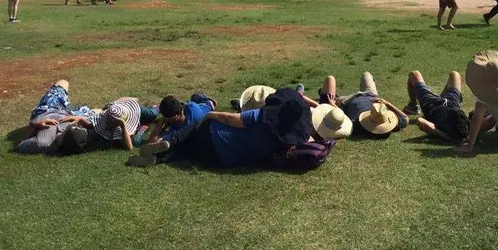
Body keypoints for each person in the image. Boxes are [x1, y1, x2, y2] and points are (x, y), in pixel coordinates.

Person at [134, 88, 312, 168]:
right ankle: (159, 158)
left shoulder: (259, 117)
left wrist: (211, 115)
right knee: (190, 150)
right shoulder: (285, 141)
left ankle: (168, 143)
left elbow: (230, 119)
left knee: (194, 131)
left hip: (215, 137)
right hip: (222, 161)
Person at [127, 93, 217, 167]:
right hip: (191, 108)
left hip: (206, 106)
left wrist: (163, 122)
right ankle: (155, 158)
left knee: (198, 98)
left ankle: (206, 99)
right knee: (193, 98)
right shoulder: (185, 111)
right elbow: (152, 143)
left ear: (175, 116)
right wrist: (163, 120)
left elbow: (152, 141)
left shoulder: (187, 122)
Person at [317, 72, 408, 139]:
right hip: (371, 94)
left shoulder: (357, 124)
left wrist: (333, 105)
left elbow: (342, 118)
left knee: (330, 79)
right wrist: (387, 103)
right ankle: (323, 92)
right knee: (366, 74)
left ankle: (322, 93)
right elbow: (405, 118)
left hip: (346, 101)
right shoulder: (391, 125)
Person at [14, 80, 95, 154]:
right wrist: (80, 119)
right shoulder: (82, 138)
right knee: (97, 111)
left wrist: (35, 125)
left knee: (63, 82)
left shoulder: (43, 143)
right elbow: (95, 127)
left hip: (47, 110)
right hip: (71, 115)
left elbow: (18, 144)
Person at [404, 70, 470, 143]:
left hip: (431, 104)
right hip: (452, 102)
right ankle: (440, 97)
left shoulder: (442, 130)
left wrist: (447, 137)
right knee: (455, 74)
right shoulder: (466, 127)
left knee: (414, 74)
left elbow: (420, 121)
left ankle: (413, 107)